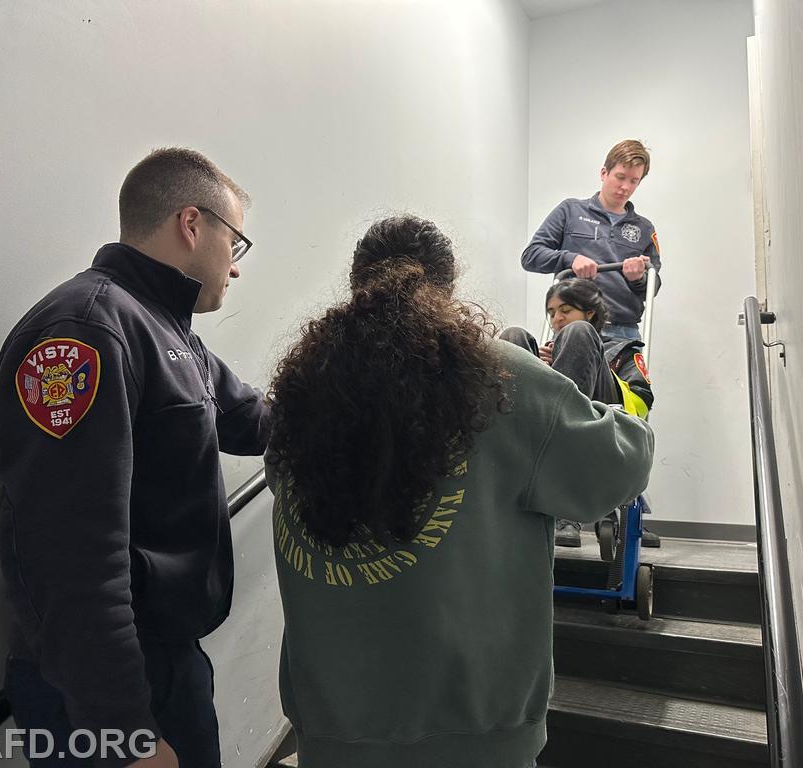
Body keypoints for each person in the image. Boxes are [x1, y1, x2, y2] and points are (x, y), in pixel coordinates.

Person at [264, 215, 653, 768]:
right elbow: (621, 466)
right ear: (446, 291)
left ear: (357, 286)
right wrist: (619, 406)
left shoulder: (302, 390)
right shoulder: (496, 375)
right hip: (475, 732)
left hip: (330, 727)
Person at [0, 148, 269, 768]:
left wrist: (358, 387)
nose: (237, 267)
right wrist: (123, 731)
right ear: (192, 225)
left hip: (164, 660)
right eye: (237, 243)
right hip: (103, 684)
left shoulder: (165, 330)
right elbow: (71, 555)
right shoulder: (87, 333)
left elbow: (252, 419)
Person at [501, 278, 659, 548]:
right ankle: (502, 449)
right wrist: (538, 368)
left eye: (565, 310)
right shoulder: (546, 349)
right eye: (551, 313)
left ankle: (564, 504)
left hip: (600, 420)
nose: (556, 319)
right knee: (512, 339)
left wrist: (598, 367)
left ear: (590, 312)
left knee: (578, 334)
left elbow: (641, 403)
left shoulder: (623, 351)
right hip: (538, 429)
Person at [521, 139, 662, 340]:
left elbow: (653, 286)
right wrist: (571, 259)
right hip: (574, 326)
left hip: (623, 333)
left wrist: (638, 278)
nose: (625, 187)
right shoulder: (570, 210)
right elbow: (531, 256)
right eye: (620, 177)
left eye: (634, 181)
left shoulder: (645, 229)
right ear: (604, 173)